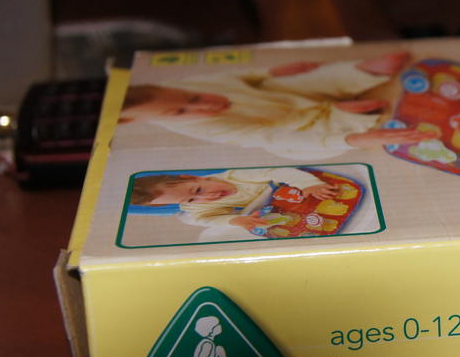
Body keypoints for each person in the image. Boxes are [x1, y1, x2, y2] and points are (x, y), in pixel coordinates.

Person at [119, 52, 436, 160]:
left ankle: (360, 73)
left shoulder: (184, 84)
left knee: (305, 82)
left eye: (192, 98)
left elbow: (236, 77)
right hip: (292, 126)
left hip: (280, 96)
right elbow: (274, 137)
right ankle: (350, 116)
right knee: (296, 144)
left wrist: (270, 72)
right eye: (181, 112)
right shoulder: (206, 127)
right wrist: (353, 139)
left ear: (170, 86)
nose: (204, 106)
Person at [131, 167, 338, 232]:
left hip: (296, 192)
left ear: (194, 177)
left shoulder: (236, 175)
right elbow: (205, 219)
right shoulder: (193, 209)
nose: (208, 197)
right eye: (192, 200)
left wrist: (307, 184)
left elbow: (278, 170)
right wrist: (234, 220)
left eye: (199, 189)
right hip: (277, 210)